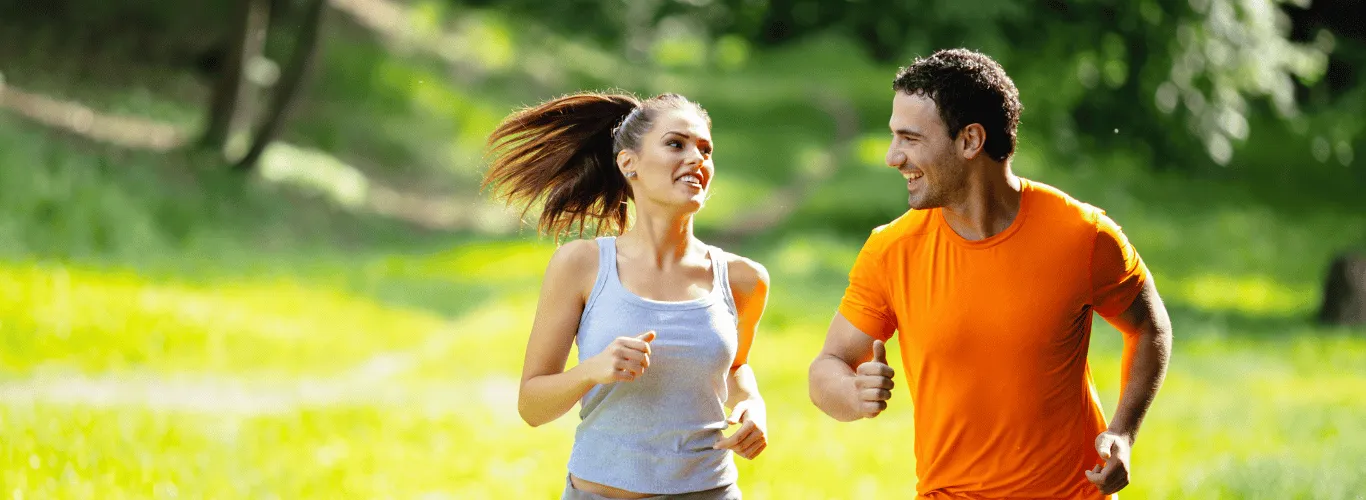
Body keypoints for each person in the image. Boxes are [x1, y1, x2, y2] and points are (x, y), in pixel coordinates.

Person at [807, 48, 1173, 499]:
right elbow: (827, 366)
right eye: (893, 136)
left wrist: (1123, 432)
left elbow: (1149, 328)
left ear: (970, 141)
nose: (892, 156)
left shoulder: (1082, 234)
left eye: (910, 138)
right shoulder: (892, 250)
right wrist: (853, 393)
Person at [484, 92, 770, 500]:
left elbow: (735, 367)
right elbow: (532, 406)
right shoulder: (581, 265)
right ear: (628, 163)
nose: (697, 158)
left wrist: (753, 404)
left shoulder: (743, 278)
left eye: (705, 150)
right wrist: (592, 370)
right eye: (676, 144)